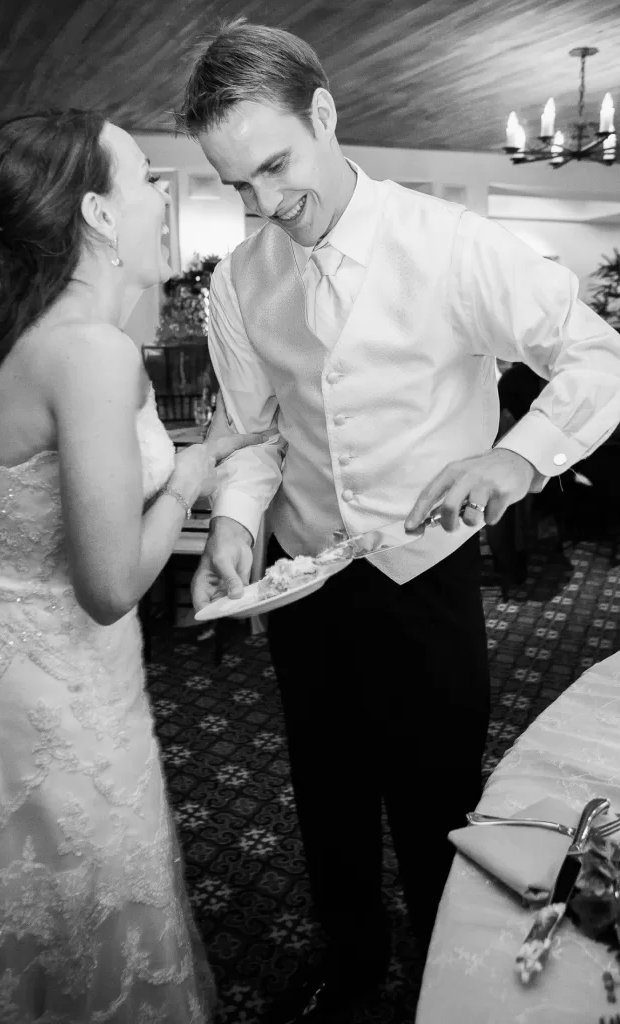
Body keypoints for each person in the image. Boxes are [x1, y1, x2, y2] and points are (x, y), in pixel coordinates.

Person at [182, 19, 620, 1023]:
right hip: (299, 582)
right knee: (324, 797)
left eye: (275, 165)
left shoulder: (454, 246)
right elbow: (251, 436)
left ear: (324, 115)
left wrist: (515, 455)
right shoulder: (240, 282)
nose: (262, 202)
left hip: (426, 585)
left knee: (436, 807)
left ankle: (437, 980)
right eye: (234, 183)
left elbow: (598, 359)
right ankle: (349, 966)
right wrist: (238, 527)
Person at [0, 109, 270, 1023]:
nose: (161, 201)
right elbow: (111, 584)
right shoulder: (90, 351)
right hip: (62, 693)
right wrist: (193, 477)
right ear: (96, 212)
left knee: (55, 914)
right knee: (91, 910)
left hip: (32, 678)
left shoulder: (27, 338)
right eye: (142, 182)